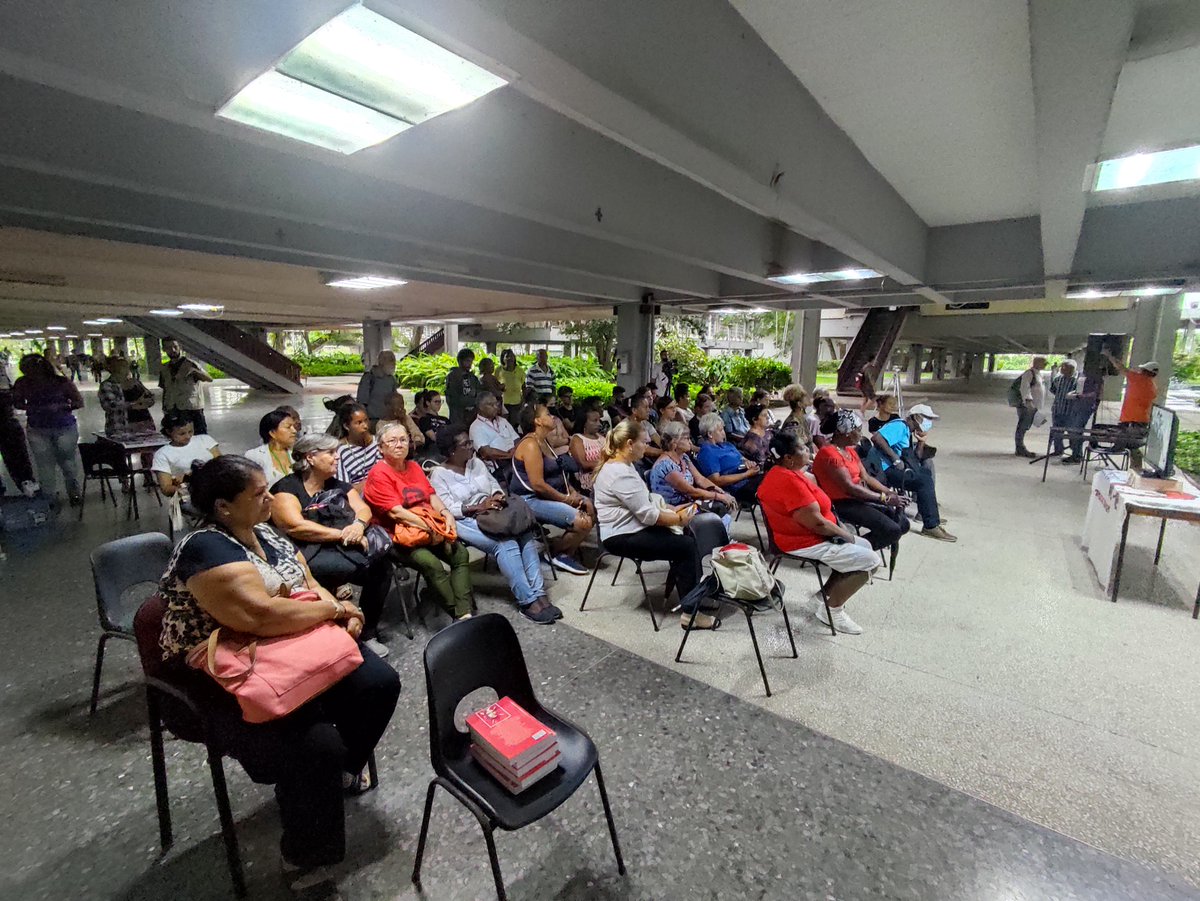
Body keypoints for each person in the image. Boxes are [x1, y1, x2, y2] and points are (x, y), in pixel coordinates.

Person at [155, 455, 399, 889]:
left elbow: (307, 581)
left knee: (379, 682)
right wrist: (334, 609)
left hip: (291, 645)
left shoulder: (266, 531)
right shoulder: (204, 548)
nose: (270, 497)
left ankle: (338, 770)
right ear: (223, 507)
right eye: (258, 493)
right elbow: (258, 617)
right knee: (316, 742)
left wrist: (342, 611)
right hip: (227, 668)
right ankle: (306, 853)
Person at [270, 434, 394, 658]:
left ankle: (367, 631)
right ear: (310, 457)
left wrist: (357, 525)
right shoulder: (287, 488)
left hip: (341, 547)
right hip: (304, 552)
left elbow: (362, 508)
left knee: (382, 568)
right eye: (330, 453)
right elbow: (295, 527)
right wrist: (342, 534)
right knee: (324, 572)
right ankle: (332, 637)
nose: (337, 457)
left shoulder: (338, 485)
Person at [593, 419, 723, 630]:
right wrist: (680, 517)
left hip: (631, 527)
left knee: (688, 538)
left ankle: (693, 596)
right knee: (686, 546)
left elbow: (646, 503)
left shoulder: (623, 466)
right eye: (643, 442)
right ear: (629, 444)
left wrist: (674, 512)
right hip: (621, 536)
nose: (647, 446)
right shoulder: (619, 473)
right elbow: (649, 516)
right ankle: (691, 612)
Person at [429, 426, 558, 624]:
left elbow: (494, 485)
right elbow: (446, 508)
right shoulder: (439, 475)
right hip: (464, 519)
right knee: (505, 543)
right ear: (452, 451)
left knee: (524, 534)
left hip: (493, 513)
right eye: (466, 444)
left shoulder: (476, 463)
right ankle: (527, 601)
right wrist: (476, 507)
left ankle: (539, 593)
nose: (471, 446)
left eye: (470, 442)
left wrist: (497, 496)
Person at [757, 430, 878, 634]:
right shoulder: (788, 481)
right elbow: (817, 524)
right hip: (803, 541)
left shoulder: (791, 473)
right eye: (803, 448)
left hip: (813, 535)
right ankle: (832, 611)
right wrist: (845, 534)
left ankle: (823, 596)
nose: (809, 451)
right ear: (788, 458)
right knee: (870, 560)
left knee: (864, 547)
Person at [362, 423, 474, 620]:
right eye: (392, 441)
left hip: (428, 528)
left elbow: (431, 496)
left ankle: (464, 610)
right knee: (431, 564)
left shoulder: (414, 467)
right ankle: (458, 614)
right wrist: (431, 529)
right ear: (381, 448)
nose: (399, 445)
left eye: (403, 440)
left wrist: (446, 514)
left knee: (460, 554)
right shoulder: (378, 474)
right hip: (398, 536)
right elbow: (396, 513)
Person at [512, 404, 595, 575]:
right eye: (548, 414)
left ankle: (561, 551)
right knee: (582, 521)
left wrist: (572, 492)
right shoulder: (530, 444)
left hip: (549, 495)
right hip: (529, 499)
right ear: (538, 421)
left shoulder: (544, 442)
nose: (553, 417)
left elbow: (559, 474)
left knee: (590, 508)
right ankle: (556, 552)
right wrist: (565, 499)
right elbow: (538, 484)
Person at [812, 409, 909, 552]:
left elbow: (866, 477)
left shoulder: (848, 451)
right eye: (857, 430)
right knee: (892, 530)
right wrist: (884, 498)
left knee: (902, 524)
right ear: (843, 432)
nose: (860, 434)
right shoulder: (829, 454)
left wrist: (889, 492)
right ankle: (850, 553)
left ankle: (858, 547)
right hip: (841, 503)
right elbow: (849, 487)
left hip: (857, 498)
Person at [870, 405, 956, 541]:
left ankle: (927, 514)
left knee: (925, 474)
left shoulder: (908, 431)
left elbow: (917, 457)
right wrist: (895, 459)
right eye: (927, 418)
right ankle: (931, 525)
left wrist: (922, 441)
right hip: (884, 470)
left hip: (894, 469)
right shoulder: (899, 426)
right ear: (916, 417)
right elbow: (876, 438)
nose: (929, 423)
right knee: (924, 481)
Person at [11, 353, 84, 504]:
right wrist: (34, 407)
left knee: (67, 462)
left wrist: (62, 406)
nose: (31, 374)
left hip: (64, 426)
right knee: (44, 465)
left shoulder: (61, 382)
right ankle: (49, 497)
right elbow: (17, 403)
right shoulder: (22, 383)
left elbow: (78, 401)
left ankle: (73, 489)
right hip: (37, 428)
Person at [651, 421, 736, 528]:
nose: (690, 442)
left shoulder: (684, 458)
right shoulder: (665, 465)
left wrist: (718, 490)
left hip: (689, 502)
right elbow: (691, 491)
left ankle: (719, 541)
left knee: (723, 504)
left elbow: (700, 479)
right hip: (674, 509)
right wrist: (719, 496)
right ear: (674, 442)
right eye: (686, 439)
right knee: (719, 507)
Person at [1102, 350, 1159, 469]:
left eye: (1142, 370)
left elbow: (1121, 367)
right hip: (1141, 421)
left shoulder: (1138, 379)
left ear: (1145, 372)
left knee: (1131, 446)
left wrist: (1109, 356)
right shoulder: (1152, 386)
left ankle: (1136, 470)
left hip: (1131, 421)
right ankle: (1135, 470)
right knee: (1133, 447)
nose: (1139, 371)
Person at [694, 412, 762, 504]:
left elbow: (742, 458)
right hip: (739, 487)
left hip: (750, 478)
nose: (724, 433)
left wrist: (749, 463)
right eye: (721, 430)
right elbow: (716, 481)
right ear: (710, 434)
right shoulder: (707, 452)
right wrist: (746, 474)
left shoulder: (726, 445)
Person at [151, 410, 221, 498]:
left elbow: (221, 465)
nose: (188, 436)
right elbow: (166, 488)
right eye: (182, 434)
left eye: (191, 431)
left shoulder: (205, 440)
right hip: (190, 495)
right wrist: (182, 489)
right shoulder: (162, 454)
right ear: (169, 432)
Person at [159, 339, 213, 435]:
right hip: (173, 409)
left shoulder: (190, 364)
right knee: (177, 437)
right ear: (164, 349)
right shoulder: (164, 369)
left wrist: (194, 371)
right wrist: (165, 408)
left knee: (200, 437)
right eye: (168, 348)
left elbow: (209, 378)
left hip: (192, 409)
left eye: (175, 347)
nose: (173, 350)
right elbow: (165, 389)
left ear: (180, 347)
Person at [469, 391, 519, 480]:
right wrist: (509, 455)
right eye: (491, 405)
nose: (496, 407)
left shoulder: (502, 421)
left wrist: (515, 450)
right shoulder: (476, 427)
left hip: (515, 459)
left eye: (496, 404)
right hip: (498, 466)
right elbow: (486, 452)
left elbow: (517, 439)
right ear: (481, 407)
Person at [244, 409, 298, 488]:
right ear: (272, 433)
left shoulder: (298, 453)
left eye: (294, 427)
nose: (294, 431)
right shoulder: (254, 456)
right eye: (288, 427)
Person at [335, 403, 381, 490]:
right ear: (346, 426)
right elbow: (343, 489)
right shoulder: (341, 451)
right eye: (359, 423)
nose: (365, 426)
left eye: (366, 420)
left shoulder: (377, 443)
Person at [1014, 355, 1047, 458]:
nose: (1046, 365)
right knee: (1023, 426)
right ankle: (1020, 448)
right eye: (1044, 363)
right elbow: (1024, 387)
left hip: (1033, 405)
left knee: (1025, 426)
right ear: (1037, 363)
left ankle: (1020, 447)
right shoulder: (1029, 373)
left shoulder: (1038, 374)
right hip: (1028, 405)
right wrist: (1028, 401)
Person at [356, 349, 397, 430]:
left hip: (388, 420)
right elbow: (362, 402)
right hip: (372, 421)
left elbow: (395, 399)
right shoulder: (369, 377)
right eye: (391, 361)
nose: (394, 364)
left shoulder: (391, 379)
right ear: (382, 362)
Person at [569, 406, 606, 493]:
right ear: (584, 422)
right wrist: (606, 464)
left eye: (599, 420)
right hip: (591, 480)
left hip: (607, 475)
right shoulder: (577, 439)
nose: (599, 424)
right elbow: (583, 464)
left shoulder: (602, 438)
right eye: (595, 421)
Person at [444, 347, 481, 426]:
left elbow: (479, 393)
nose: (470, 364)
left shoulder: (473, 378)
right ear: (460, 361)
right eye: (467, 361)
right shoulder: (453, 376)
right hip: (458, 414)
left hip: (472, 414)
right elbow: (451, 396)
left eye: (471, 361)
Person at [738, 403, 773, 469]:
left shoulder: (768, 432)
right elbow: (762, 463)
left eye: (767, 414)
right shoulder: (751, 441)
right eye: (764, 415)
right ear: (754, 420)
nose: (768, 417)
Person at [498, 349, 526, 426]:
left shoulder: (520, 371)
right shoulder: (498, 370)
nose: (510, 358)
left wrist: (523, 401)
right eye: (507, 356)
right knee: (504, 425)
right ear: (503, 359)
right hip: (503, 404)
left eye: (512, 356)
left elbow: (524, 387)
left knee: (514, 424)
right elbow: (495, 385)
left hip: (516, 403)